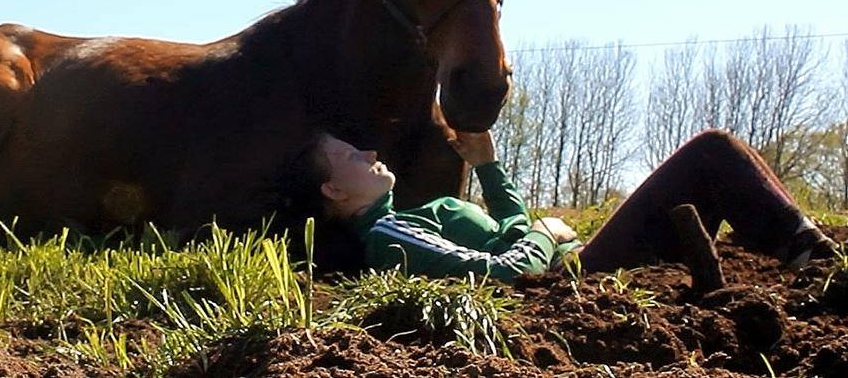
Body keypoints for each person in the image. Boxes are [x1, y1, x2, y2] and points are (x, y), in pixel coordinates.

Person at [292, 129, 835, 283]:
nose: (367, 152)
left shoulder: (415, 218)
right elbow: (504, 273)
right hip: (572, 275)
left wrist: (487, 163)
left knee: (713, 161)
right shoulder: (391, 238)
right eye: (347, 155)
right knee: (711, 152)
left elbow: (509, 230)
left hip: (576, 262)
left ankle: (805, 251)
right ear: (334, 192)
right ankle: (815, 259)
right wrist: (547, 237)